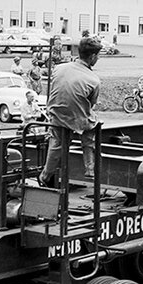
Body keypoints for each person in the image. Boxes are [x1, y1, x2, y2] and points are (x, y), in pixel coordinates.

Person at [40, 36, 102, 187]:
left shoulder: (59, 68)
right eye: (98, 56)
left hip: (55, 115)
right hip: (75, 118)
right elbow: (91, 104)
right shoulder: (93, 80)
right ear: (92, 57)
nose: (98, 58)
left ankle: (46, 174)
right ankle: (90, 168)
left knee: (57, 143)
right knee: (91, 129)